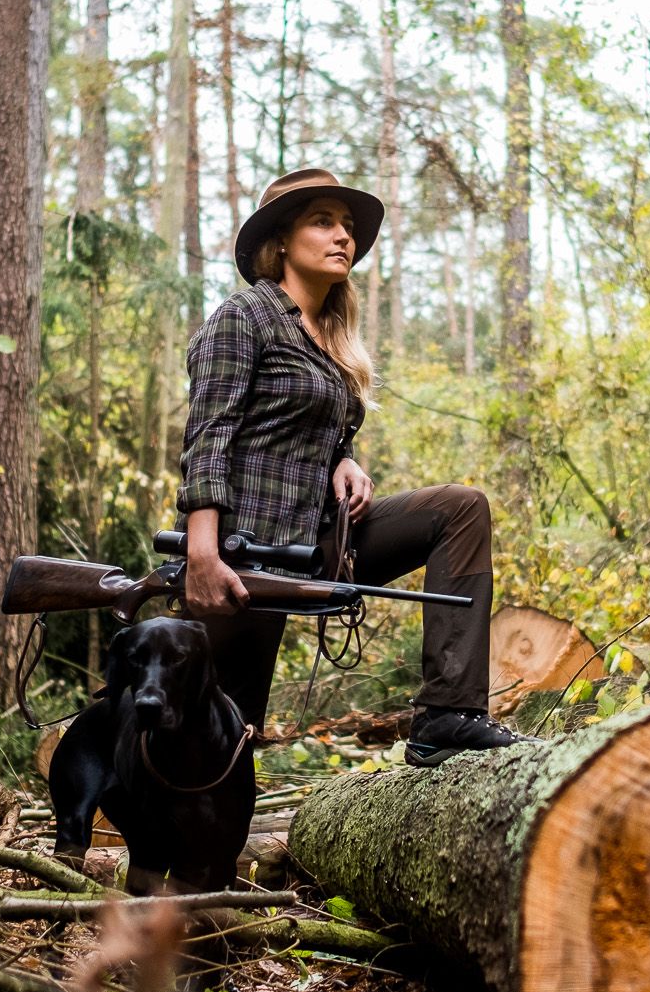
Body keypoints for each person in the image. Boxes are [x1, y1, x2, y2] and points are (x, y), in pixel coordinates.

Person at [176, 167, 532, 767]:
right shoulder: (246, 317)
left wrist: (345, 459)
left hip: (318, 545)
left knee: (459, 509)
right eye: (323, 221)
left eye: (347, 226)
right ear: (282, 241)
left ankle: (449, 713)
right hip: (245, 555)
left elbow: (304, 428)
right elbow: (208, 437)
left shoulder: (332, 339)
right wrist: (202, 556)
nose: (343, 236)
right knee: (217, 744)